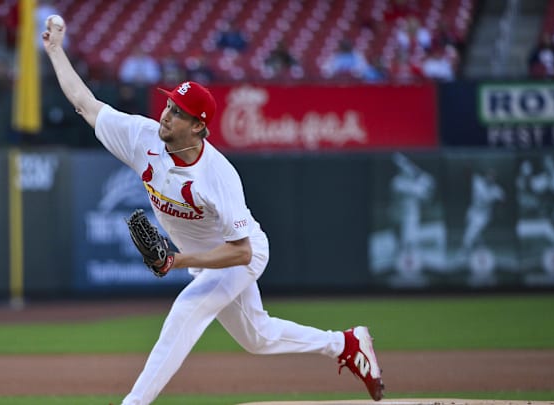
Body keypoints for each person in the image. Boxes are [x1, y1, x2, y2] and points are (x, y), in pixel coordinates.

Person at [41, 15, 384, 405]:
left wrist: (180, 259)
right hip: (209, 261)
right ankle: (346, 343)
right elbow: (86, 105)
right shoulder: (142, 137)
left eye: (178, 112)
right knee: (258, 337)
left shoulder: (218, 175)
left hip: (242, 253)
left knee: (185, 312)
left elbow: (242, 251)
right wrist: (55, 51)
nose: (166, 115)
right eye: (169, 104)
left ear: (199, 127)